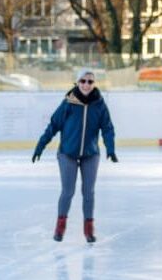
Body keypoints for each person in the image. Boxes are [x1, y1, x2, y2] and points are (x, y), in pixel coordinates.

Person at [32, 67, 117, 244]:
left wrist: (110, 148)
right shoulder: (69, 103)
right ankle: (60, 226)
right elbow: (54, 125)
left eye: (90, 81)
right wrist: (41, 145)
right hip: (67, 154)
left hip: (90, 154)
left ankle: (88, 229)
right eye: (83, 81)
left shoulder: (99, 104)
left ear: (94, 84)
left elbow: (107, 128)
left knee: (88, 192)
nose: (86, 84)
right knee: (68, 191)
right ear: (77, 83)